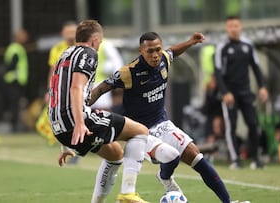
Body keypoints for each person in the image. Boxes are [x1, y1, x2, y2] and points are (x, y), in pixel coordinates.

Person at [90, 32, 244, 203]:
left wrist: (191, 42)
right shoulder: (128, 72)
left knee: (196, 155)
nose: (155, 55)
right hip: (139, 132)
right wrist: (80, 109)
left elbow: (173, 52)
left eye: (158, 49)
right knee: (171, 156)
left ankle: (228, 202)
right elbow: (100, 89)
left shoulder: (164, 58)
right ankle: (163, 178)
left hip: (162, 123)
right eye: (150, 51)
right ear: (141, 50)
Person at [48, 20, 181, 203]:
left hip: (59, 126)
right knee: (140, 131)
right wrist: (79, 123)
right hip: (78, 121)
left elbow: (57, 92)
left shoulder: (65, 54)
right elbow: (76, 89)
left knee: (115, 154)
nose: (100, 44)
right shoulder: (88, 53)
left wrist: (65, 142)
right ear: (95, 39)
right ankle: (128, 192)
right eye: (100, 41)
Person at [214, 16, 269, 169]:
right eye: (230, 26)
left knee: (253, 123)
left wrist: (262, 87)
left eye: (236, 25)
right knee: (231, 126)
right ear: (226, 28)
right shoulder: (222, 47)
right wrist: (225, 92)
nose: (233, 28)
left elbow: (256, 68)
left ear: (241, 27)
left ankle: (256, 159)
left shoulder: (248, 45)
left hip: (246, 92)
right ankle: (235, 159)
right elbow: (218, 72)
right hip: (229, 94)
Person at [36, 21, 77, 145]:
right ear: (62, 33)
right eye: (67, 32)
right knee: (56, 115)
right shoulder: (57, 49)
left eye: (73, 32)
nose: (70, 35)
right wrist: (50, 91)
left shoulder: (82, 48)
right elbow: (53, 71)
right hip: (60, 89)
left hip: (77, 88)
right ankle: (63, 139)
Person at [3, 28, 29, 132]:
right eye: (23, 35)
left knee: (16, 104)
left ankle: (15, 126)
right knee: (14, 104)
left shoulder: (15, 47)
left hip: (16, 80)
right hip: (14, 80)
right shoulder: (16, 48)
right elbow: (11, 65)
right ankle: (14, 127)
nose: (26, 37)